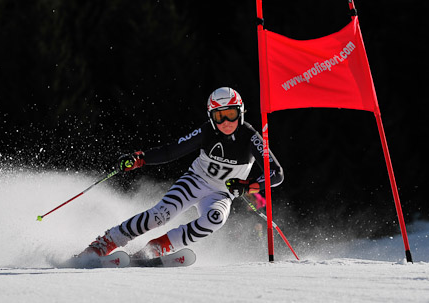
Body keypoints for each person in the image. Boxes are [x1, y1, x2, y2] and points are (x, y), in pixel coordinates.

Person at [78, 87, 284, 259]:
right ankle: (105, 243)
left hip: (221, 194)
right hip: (196, 181)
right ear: (211, 117)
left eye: (230, 114)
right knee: (160, 215)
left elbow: (276, 173)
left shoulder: (250, 136)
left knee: (215, 219)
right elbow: (171, 151)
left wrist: (249, 186)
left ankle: (156, 248)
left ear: (240, 112)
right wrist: (140, 158)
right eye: (218, 116)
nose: (225, 122)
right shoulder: (206, 132)